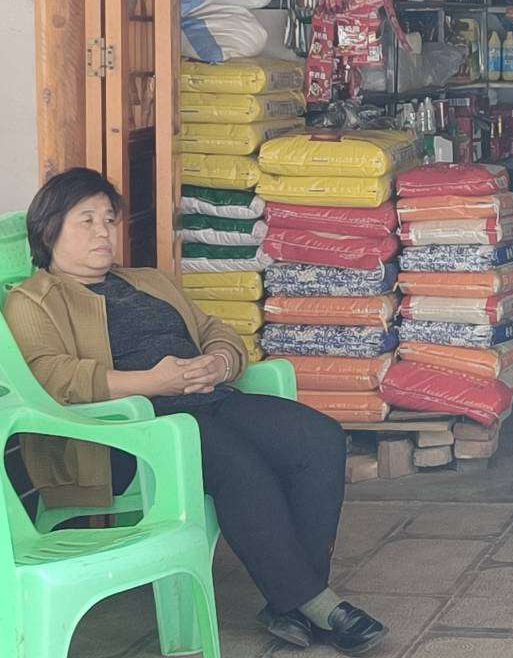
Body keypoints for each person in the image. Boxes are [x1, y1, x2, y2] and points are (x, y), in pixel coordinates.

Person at [4, 168, 387, 655]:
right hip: (132, 432)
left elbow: (213, 329)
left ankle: (292, 602)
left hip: (208, 399)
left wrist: (220, 362)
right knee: (236, 462)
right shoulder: (34, 300)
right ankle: (319, 605)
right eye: (87, 220)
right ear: (49, 229)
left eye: (109, 219)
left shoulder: (147, 281)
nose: (103, 231)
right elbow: (53, 377)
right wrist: (152, 383)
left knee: (320, 438)